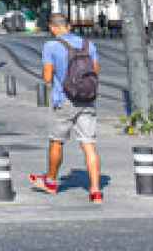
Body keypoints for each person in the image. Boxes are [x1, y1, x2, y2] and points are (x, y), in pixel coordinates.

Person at [30, 13, 103, 203]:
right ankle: (95, 190)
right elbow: (95, 71)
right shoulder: (88, 44)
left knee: (57, 141)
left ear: (52, 28)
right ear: (69, 26)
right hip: (87, 99)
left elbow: (47, 77)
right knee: (89, 144)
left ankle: (51, 181)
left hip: (64, 100)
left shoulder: (51, 46)